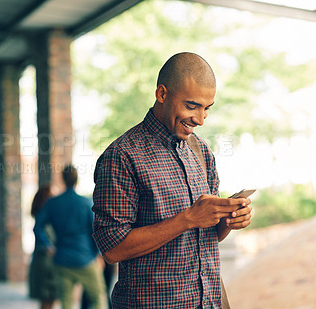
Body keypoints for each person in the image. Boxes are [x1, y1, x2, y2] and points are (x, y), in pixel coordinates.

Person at [92, 52, 253, 308]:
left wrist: (227, 222)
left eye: (207, 108)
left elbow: (205, 237)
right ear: (162, 94)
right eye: (191, 106)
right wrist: (188, 218)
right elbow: (112, 249)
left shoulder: (201, 152)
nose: (200, 120)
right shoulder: (122, 156)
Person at [34, 164, 108, 309]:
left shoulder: (52, 203)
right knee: (98, 298)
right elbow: (95, 231)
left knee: (66, 302)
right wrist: (99, 254)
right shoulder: (86, 203)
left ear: (62, 179)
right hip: (85, 258)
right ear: (77, 180)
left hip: (62, 259)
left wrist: (48, 246)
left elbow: (37, 227)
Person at [29, 184, 58, 309]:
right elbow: (37, 229)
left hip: (42, 258)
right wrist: (49, 246)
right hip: (45, 259)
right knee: (47, 295)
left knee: (47, 298)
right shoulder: (44, 214)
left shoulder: (41, 213)